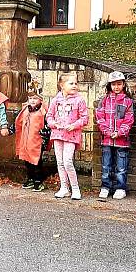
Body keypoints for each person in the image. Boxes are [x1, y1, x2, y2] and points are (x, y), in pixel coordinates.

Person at [46, 72, 89, 200]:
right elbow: (49, 116)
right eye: (71, 83)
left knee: (68, 161)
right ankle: (64, 188)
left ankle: (75, 188)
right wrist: (54, 124)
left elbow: (85, 118)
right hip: (57, 134)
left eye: (76, 83)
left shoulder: (79, 100)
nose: (74, 86)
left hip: (71, 135)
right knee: (59, 162)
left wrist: (74, 125)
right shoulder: (56, 99)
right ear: (61, 85)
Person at [95, 71, 135, 200]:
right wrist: (107, 131)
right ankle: (106, 187)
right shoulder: (104, 100)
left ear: (123, 84)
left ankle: (120, 187)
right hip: (107, 140)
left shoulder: (127, 101)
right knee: (106, 165)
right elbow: (100, 118)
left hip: (122, 140)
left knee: (121, 166)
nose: (116, 87)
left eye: (119, 84)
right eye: (113, 84)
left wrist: (119, 133)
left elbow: (129, 120)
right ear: (109, 85)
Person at [15, 81, 50, 192]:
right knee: (27, 160)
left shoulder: (43, 111)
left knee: (36, 162)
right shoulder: (25, 110)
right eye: (30, 99)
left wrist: (45, 139)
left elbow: (47, 125)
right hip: (26, 140)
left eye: (35, 99)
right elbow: (18, 122)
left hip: (37, 141)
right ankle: (30, 178)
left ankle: (38, 180)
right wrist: (11, 129)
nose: (32, 101)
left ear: (40, 100)